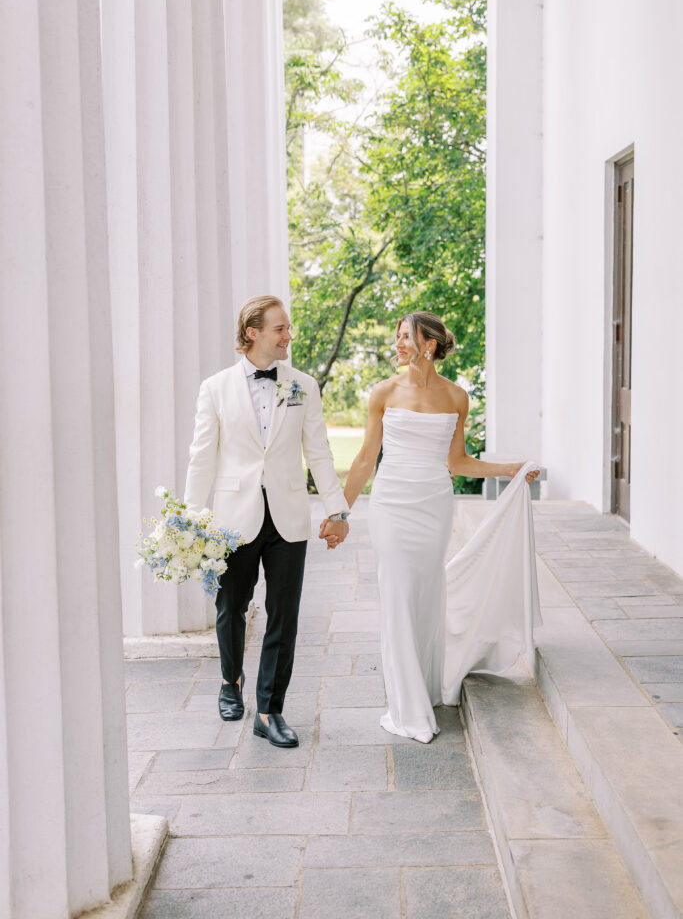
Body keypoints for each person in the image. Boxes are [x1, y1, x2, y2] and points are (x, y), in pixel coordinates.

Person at [321, 311, 540, 743]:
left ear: (430, 344)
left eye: (406, 336)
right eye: (398, 335)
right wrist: (339, 512)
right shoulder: (383, 392)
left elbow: (457, 462)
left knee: (425, 594)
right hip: (391, 504)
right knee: (398, 595)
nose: (398, 343)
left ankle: (424, 685)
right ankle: (406, 706)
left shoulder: (457, 397)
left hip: (433, 506)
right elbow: (365, 459)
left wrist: (509, 469)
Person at [184, 294, 349, 748]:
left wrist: (336, 510)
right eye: (280, 329)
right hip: (233, 518)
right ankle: (230, 680)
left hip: (288, 516)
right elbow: (202, 457)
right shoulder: (215, 388)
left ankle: (269, 711)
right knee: (230, 607)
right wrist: (191, 519)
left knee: (284, 615)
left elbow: (318, 452)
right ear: (252, 332)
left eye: (288, 328)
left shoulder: (303, 385)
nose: (288, 336)